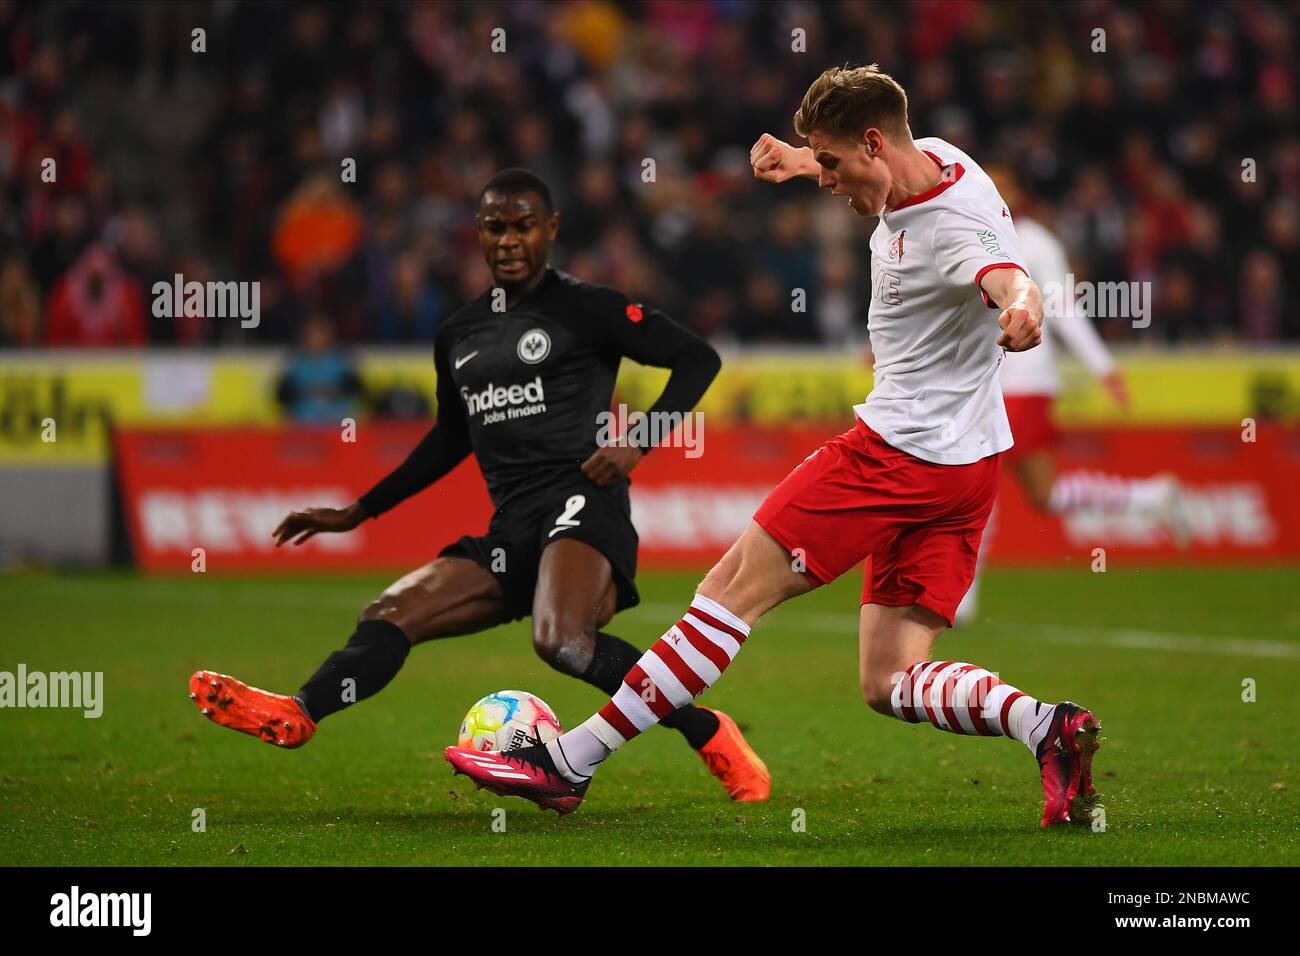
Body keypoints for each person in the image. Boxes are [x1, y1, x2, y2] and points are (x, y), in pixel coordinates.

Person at [446, 68, 1101, 828]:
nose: (822, 179)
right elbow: (931, 204)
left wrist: (1023, 308)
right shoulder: (940, 158)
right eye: (814, 164)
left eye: (828, 162)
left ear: (873, 143)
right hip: (967, 469)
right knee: (889, 680)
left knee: (728, 593)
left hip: (892, 459)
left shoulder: (949, 228)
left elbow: (1004, 274)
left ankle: (569, 762)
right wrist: (798, 158)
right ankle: (1047, 727)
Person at [189, 169, 771, 802]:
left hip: (584, 505)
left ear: (549, 230)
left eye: (523, 226)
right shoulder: (459, 335)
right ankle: (301, 710)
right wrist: (358, 511)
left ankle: (706, 732)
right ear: (479, 234)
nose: (509, 240)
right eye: (495, 227)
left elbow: (698, 359)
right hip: (513, 528)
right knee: (388, 613)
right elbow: (449, 440)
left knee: (561, 642)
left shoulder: (588, 307)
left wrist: (639, 440)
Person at [956, 164, 1190, 624]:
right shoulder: (971, 235)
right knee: (1043, 493)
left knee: (978, 480)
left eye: (1006, 186)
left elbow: (1063, 307)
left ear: (1019, 194)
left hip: (1023, 379)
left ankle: (963, 597)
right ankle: (1149, 498)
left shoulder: (1035, 242)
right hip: (992, 379)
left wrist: (1103, 367)